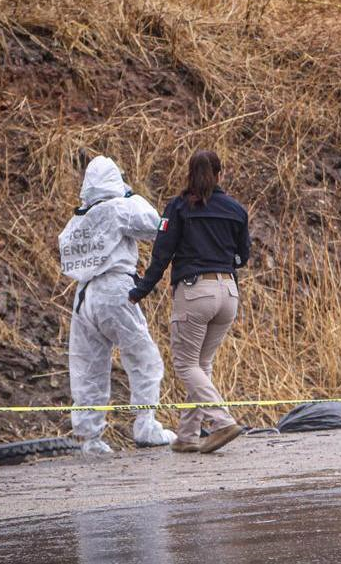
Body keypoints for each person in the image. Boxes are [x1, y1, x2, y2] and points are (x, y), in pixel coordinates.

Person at [129, 150, 250, 454]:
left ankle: (222, 423)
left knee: (185, 364)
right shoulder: (236, 209)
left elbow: (161, 255)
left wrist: (140, 290)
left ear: (189, 174)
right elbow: (243, 256)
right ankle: (186, 435)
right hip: (229, 293)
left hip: (195, 292)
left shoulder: (179, 207)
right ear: (219, 174)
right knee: (201, 365)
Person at [58, 156, 176, 455]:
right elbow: (157, 226)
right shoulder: (120, 207)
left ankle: (90, 437)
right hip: (115, 288)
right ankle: (146, 425)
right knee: (143, 357)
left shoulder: (78, 219)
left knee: (87, 366)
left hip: (83, 296)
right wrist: (131, 196)